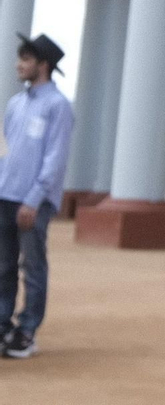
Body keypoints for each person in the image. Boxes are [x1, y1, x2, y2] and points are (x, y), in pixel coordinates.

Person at [1, 35, 74, 359]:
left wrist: (33, 198)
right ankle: (2, 324)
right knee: (2, 265)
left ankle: (27, 330)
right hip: (4, 195)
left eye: (26, 59)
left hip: (33, 201)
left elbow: (55, 159)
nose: (19, 65)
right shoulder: (15, 103)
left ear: (43, 65)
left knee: (32, 266)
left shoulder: (57, 106)